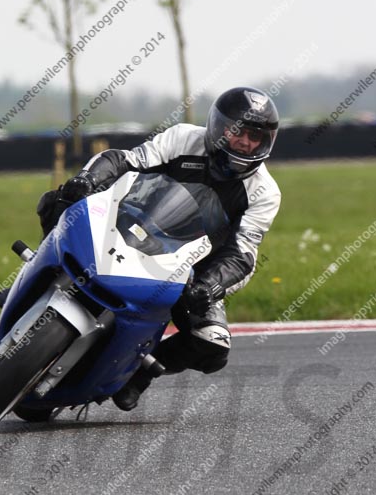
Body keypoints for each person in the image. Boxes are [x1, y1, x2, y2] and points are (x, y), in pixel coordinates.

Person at [36, 86, 281, 411]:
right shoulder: (183, 138)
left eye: (256, 137)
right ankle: (39, 274)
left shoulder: (265, 192)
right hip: (130, 222)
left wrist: (210, 285)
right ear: (219, 126)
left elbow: (243, 253)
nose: (246, 142)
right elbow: (125, 160)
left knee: (213, 344)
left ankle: (137, 375)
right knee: (59, 201)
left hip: (191, 268)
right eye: (239, 131)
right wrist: (87, 180)